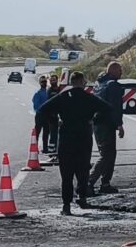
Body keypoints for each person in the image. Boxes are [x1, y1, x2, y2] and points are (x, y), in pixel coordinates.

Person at [39, 70, 106, 213]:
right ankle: (82, 198)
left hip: (66, 137)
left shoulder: (63, 97)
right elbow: (107, 109)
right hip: (84, 137)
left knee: (66, 173)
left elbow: (43, 109)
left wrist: (54, 121)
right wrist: (94, 120)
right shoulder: (89, 98)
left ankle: (66, 205)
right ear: (82, 82)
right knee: (82, 170)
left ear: (71, 82)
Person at [92, 58, 129, 192]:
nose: (121, 72)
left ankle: (105, 184)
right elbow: (115, 107)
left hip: (98, 123)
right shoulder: (112, 85)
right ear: (113, 70)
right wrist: (119, 124)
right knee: (107, 155)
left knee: (107, 153)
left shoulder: (99, 83)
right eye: (119, 70)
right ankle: (90, 182)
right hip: (106, 124)